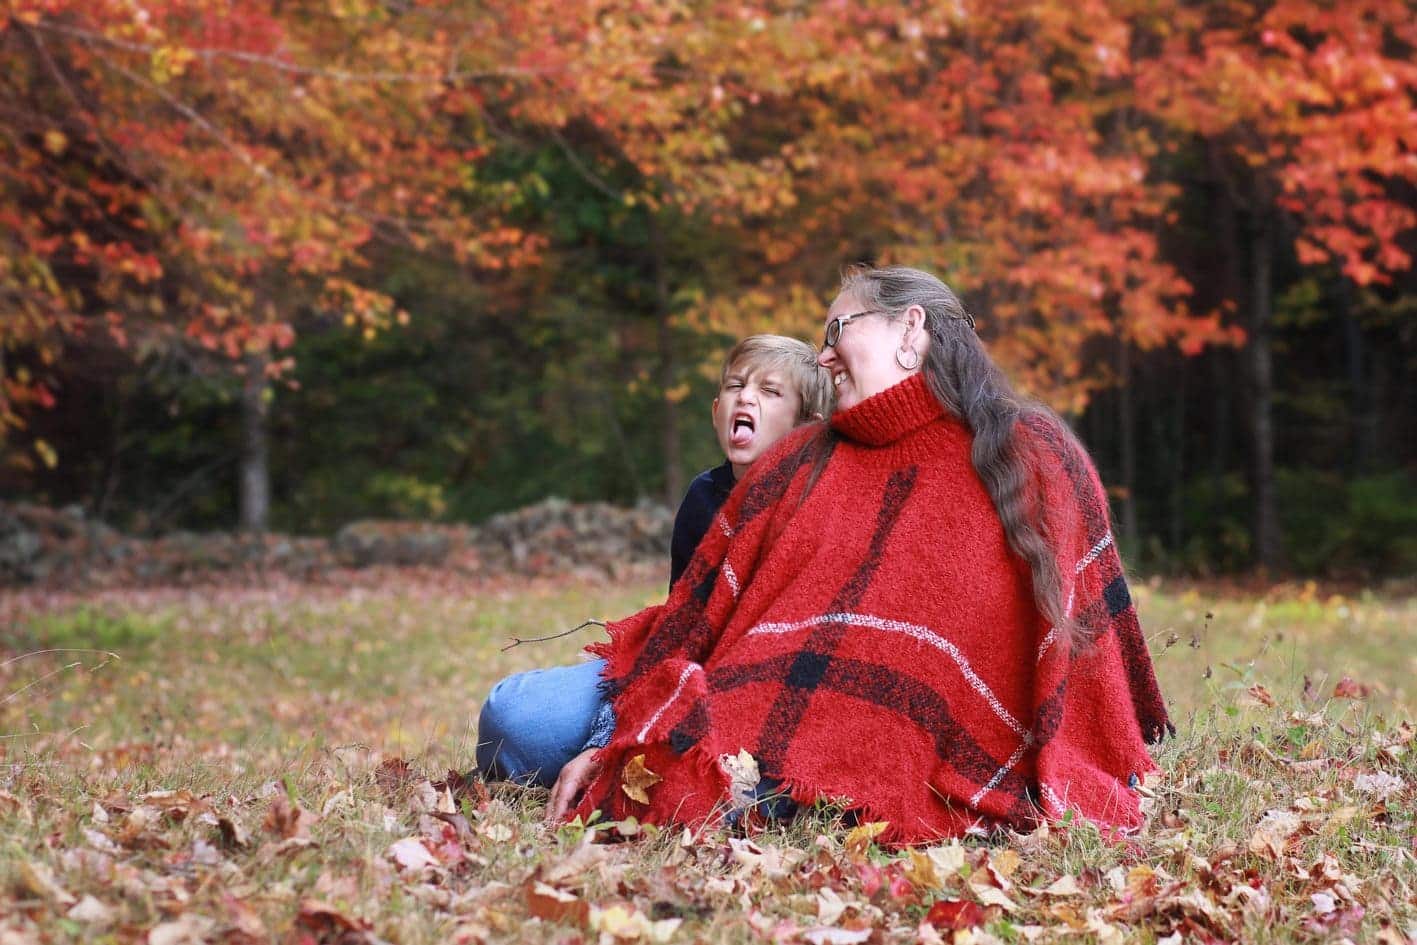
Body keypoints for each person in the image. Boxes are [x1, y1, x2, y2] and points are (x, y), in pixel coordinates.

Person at [555, 265, 1173, 842]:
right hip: (733, 688)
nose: (822, 355)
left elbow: (1077, 638)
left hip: (848, 738)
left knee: (530, 730)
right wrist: (621, 735)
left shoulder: (1026, 452)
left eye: (836, 330)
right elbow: (703, 612)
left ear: (911, 328)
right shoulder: (805, 456)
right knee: (515, 716)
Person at [475, 335, 832, 793]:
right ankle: (616, 753)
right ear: (715, 411)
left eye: (770, 390)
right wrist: (613, 733)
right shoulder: (705, 499)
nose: (745, 396)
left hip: (759, 692)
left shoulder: (816, 504)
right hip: (683, 668)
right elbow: (678, 634)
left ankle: (647, 761)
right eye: (736, 385)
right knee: (511, 714)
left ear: (807, 426)